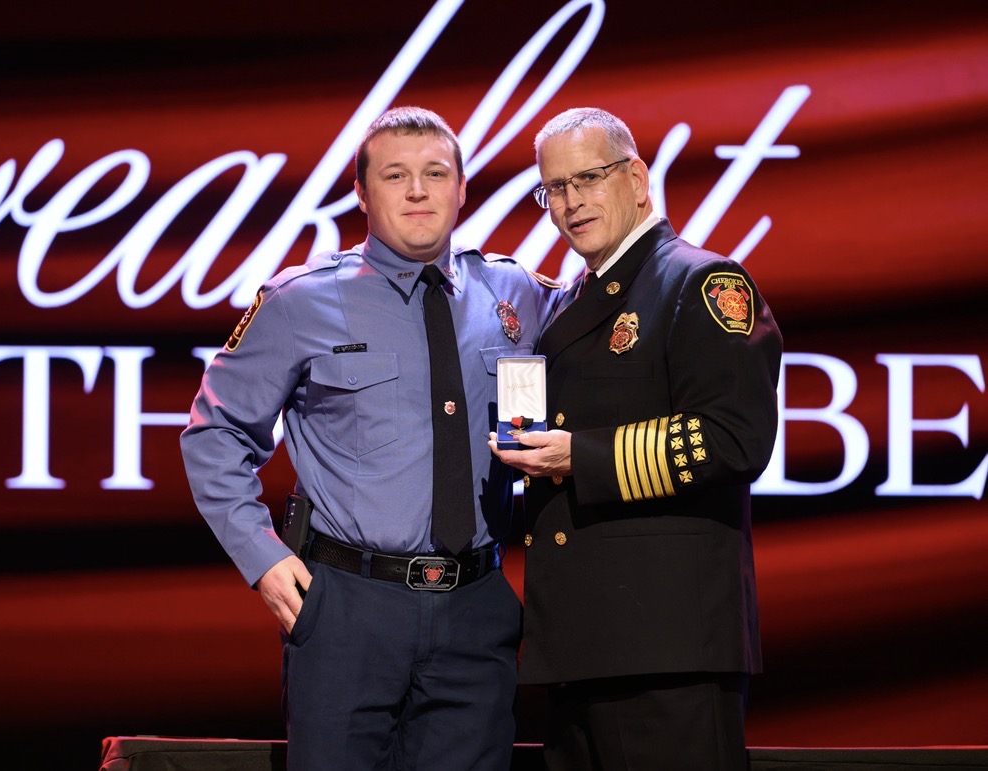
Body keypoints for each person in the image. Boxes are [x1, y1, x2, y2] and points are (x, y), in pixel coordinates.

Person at [181, 106, 559, 770]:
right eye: (395, 174)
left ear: (461, 187)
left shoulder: (516, 293)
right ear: (361, 192)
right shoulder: (300, 300)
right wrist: (261, 559)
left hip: (475, 612)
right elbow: (213, 433)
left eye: (434, 172)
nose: (417, 190)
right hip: (348, 610)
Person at [490, 107, 782, 770]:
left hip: (665, 646)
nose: (570, 202)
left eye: (587, 178)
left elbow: (736, 438)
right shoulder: (566, 302)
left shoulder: (699, 282)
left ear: (637, 177)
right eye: (553, 188)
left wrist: (580, 456)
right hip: (576, 643)